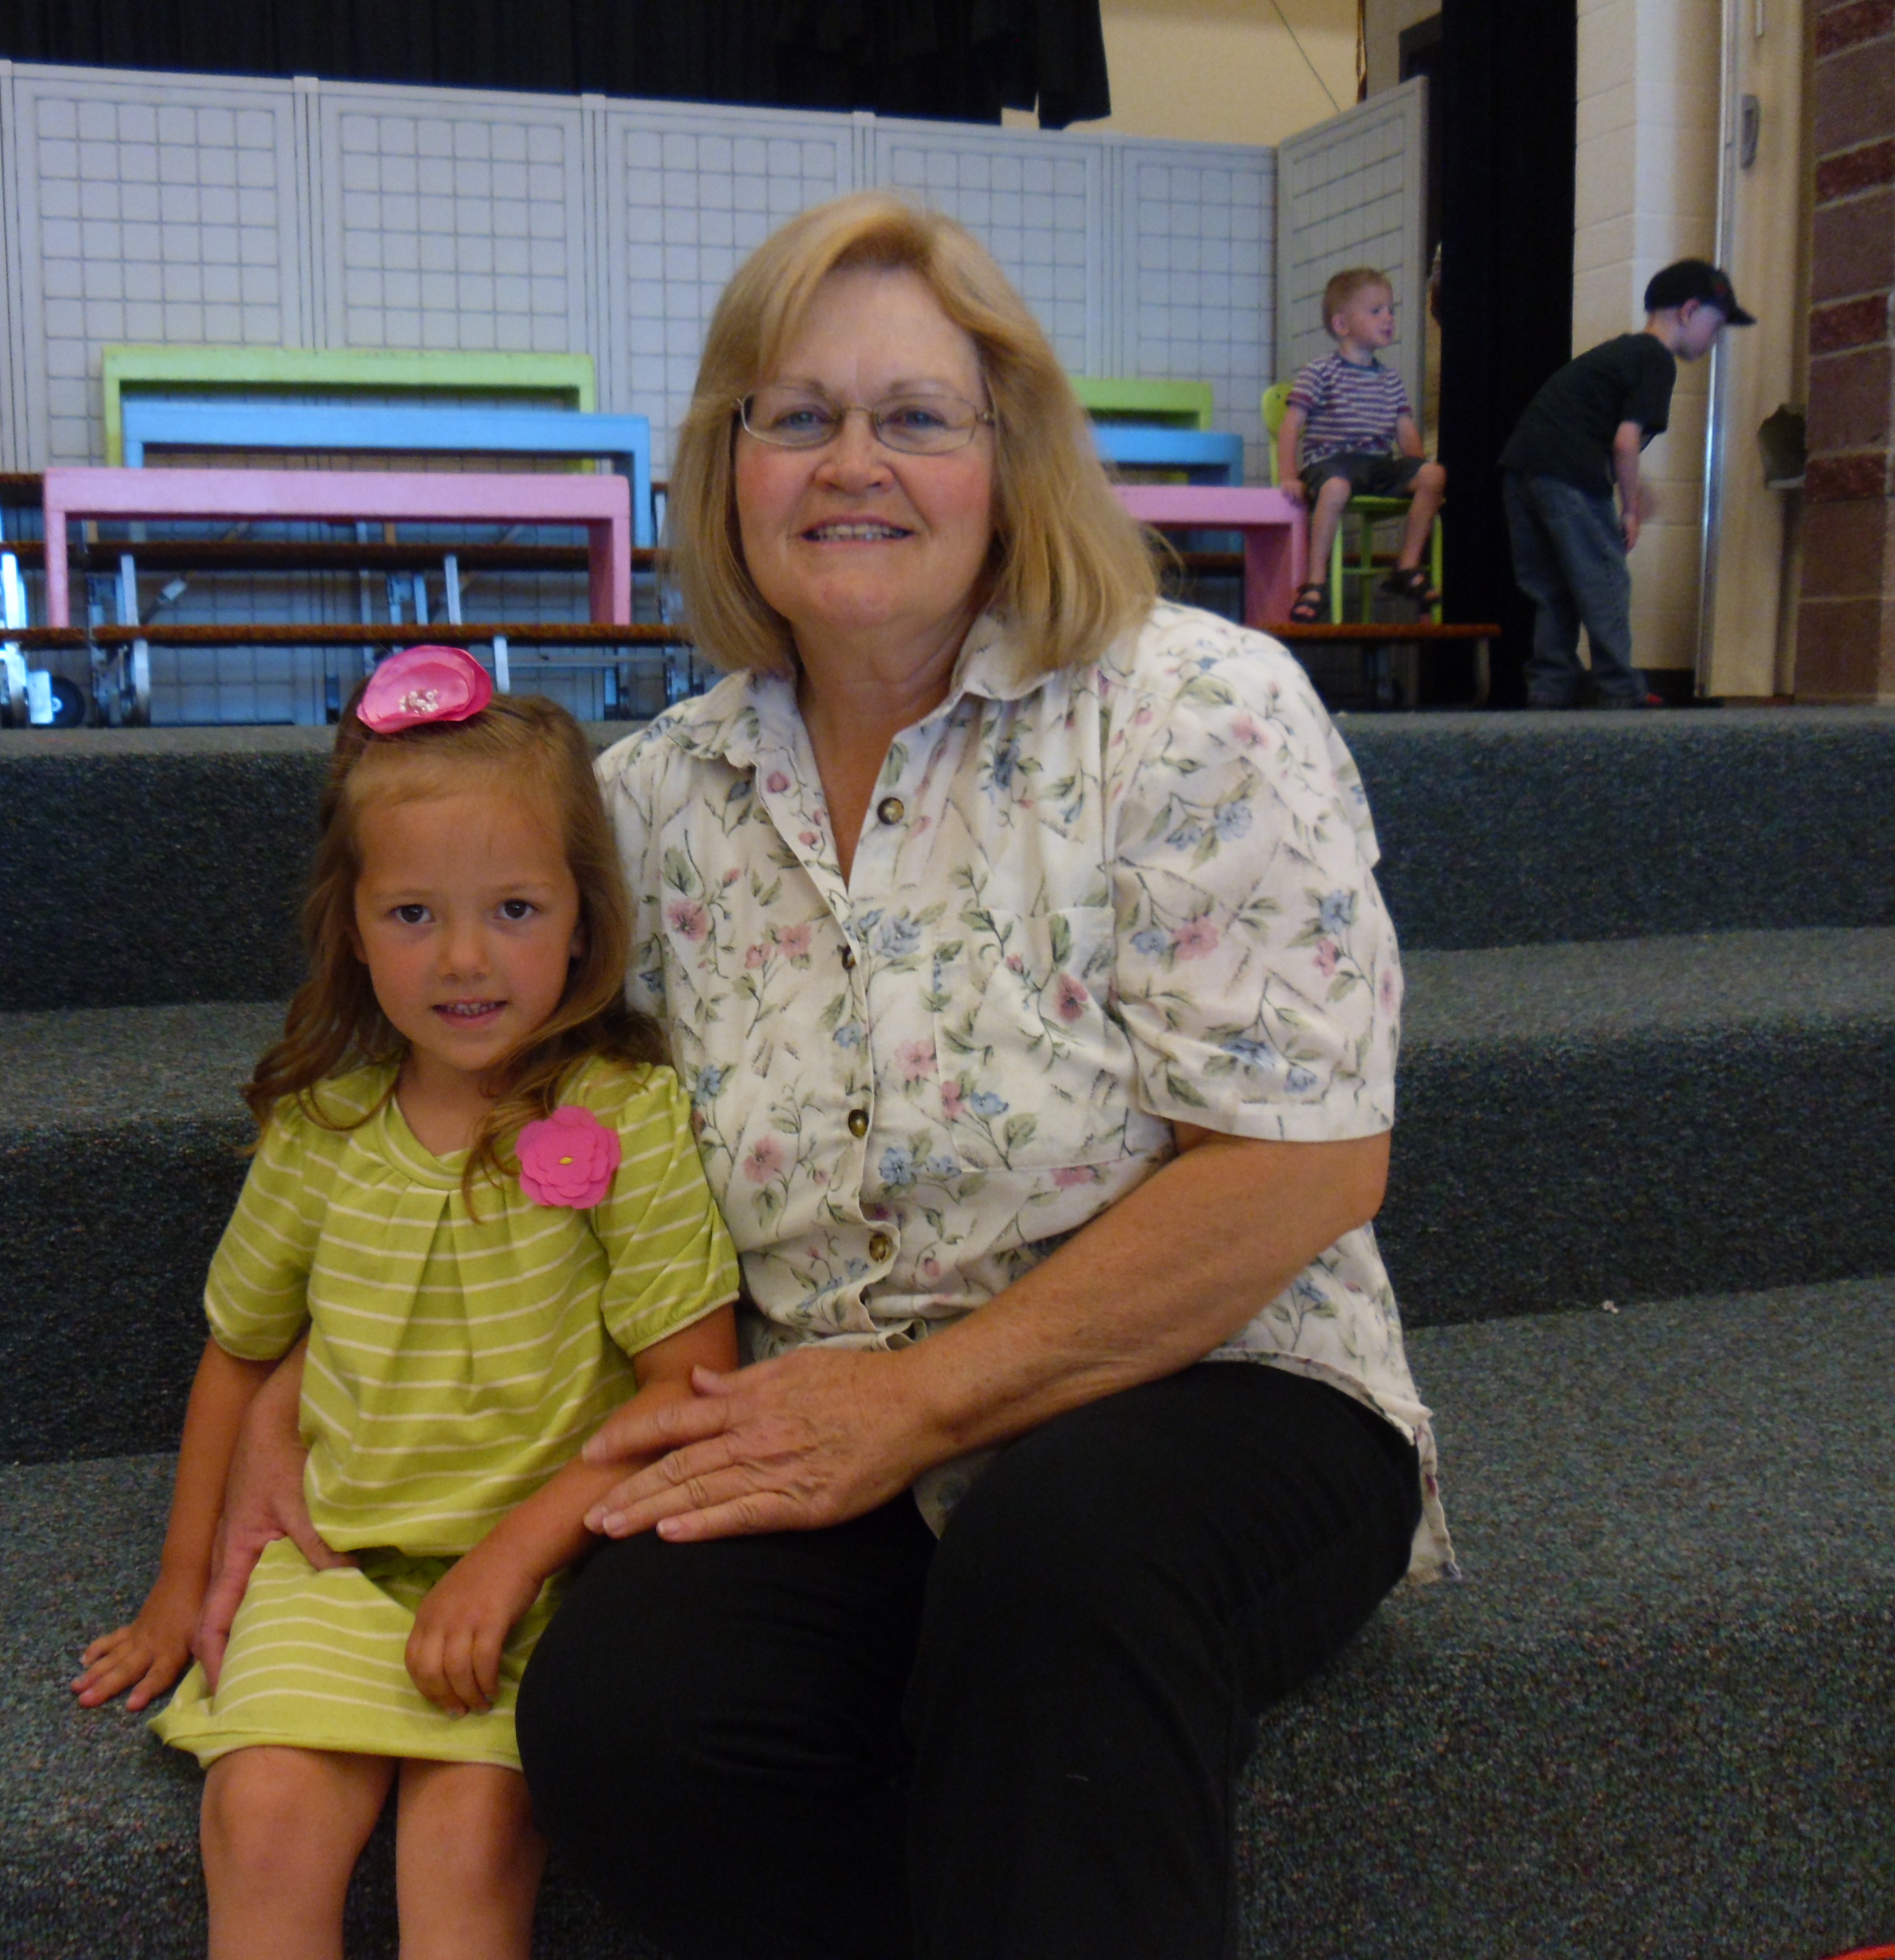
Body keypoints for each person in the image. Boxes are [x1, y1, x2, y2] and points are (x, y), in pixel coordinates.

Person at [511, 189, 1455, 1960]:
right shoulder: (652, 801)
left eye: (915, 417)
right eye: (797, 416)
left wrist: (919, 1405)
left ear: (1008, 457)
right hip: (830, 1408)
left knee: (1061, 1565)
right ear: (727, 464)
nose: (851, 464)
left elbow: (1305, 1163)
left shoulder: (1194, 707)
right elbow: (513, 1119)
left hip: (1214, 1381)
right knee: (633, 1715)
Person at [73, 649, 740, 1960]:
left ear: (584, 920)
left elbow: (686, 1387)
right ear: (351, 925)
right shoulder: (321, 1130)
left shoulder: (624, 1116)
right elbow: (237, 1355)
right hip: (334, 1561)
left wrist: (513, 1557)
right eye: (413, 915)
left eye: (514, 908)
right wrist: (178, 1586)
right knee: (260, 1822)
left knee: (468, 1844)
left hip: (539, 1573)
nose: (465, 959)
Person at [1498, 257, 1755, 708]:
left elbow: (1603, 440)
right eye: (1715, 327)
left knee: (1552, 590)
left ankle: (1551, 687)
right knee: (1606, 581)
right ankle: (1619, 688)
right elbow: (1625, 441)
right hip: (1568, 474)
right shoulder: (1656, 359)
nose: (1715, 341)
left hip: (1522, 470)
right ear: (1689, 311)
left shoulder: (1620, 354)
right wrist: (1631, 509)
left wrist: (1636, 489)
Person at [1278, 265, 1445, 623]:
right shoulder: (1320, 371)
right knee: (1336, 488)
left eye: (1391, 310)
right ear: (1342, 324)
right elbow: (1292, 426)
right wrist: (1289, 475)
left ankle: (1406, 565)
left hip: (1377, 465)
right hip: (1331, 464)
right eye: (1376, 311)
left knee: (1435, 475)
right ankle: (1315, 581)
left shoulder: (1390, 379)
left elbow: (1405, 431)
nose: (1388, 318)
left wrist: (1420, 476)